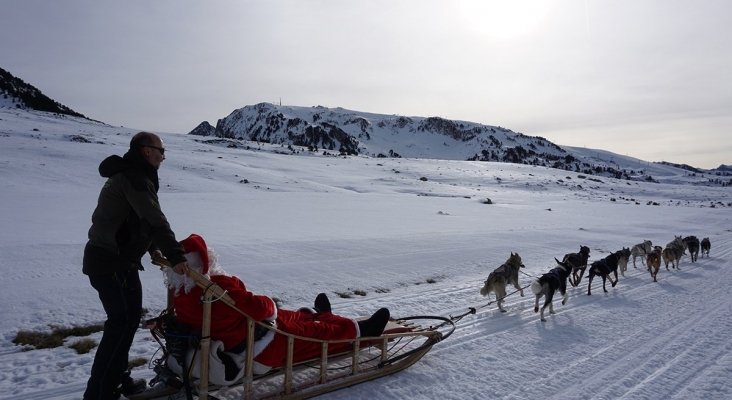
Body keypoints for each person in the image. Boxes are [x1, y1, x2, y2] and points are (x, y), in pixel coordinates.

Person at [166, 233, 390, 377]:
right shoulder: (215, 289)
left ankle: (323, 315)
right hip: (257, 346)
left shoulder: (182, 292)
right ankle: (362, 330)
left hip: (237, 334)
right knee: (307, 333)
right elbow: (262, 307)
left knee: (290, 316)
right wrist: (267, 302)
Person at [82, 131, 189, 400]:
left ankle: (118, 379)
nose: (163, 157)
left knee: (128, 322)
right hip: (110, 262)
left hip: (119, 261)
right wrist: (176, 257)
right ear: (146, 151)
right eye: (161, 151)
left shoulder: (133, 174)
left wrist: (151, 248)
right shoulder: (134, 178)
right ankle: (98, 394)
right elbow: (154, 219)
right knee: (119, 324)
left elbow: (137, 221)